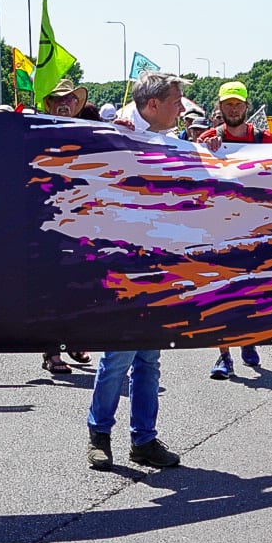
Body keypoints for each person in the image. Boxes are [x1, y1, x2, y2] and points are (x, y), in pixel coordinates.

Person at [87, 70, 184, 472]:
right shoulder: (115, 132)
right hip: (123, 261)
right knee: (119, 356)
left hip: (159, 261)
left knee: (149, 359)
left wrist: (209, 152)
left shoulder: (174, 141)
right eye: (176, 101)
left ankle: (144, 440)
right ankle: (99, 435)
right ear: (153, 104)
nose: (182, 108)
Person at [199, 81, 272, 380]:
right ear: (219, 107)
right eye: (228, 104)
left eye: (238, 104)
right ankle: (224, 356)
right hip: (219, 226)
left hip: (255, 226)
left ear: (246, 107)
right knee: (221, 292)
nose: (233, 109)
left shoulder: (264, 139)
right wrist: (205, 153)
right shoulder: (208, 138)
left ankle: (247, 339)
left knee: (251, 290)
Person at [36, 81, 99, 375]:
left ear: (77, 103)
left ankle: (73, 341)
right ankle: (53, 352)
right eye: (57, 98)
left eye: (69, 98)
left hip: (84, 220)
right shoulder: (36, 129)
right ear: (47, 104)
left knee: (81, 286)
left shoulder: (90, 131)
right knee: (53, 289)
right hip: (47, 219)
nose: (64, 103)